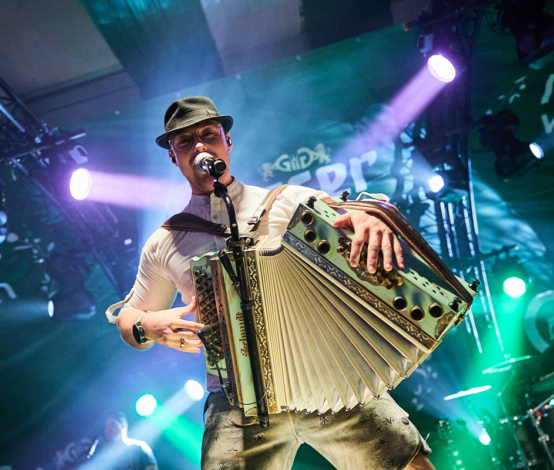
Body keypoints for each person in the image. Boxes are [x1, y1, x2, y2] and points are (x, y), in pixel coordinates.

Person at [107, 96, 434, 470]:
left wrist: (373, 214)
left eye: (209, 134)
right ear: (173, 157)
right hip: (236, 400)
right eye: (185, 141)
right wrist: (145, 325)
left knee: (411, 465)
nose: (199, 146)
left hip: (325, 376)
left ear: (227, 141)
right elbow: (127, 318)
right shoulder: (166, 241)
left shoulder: (287, 201)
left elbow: (359, 210)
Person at [81, 412, 157, 470]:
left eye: (112, 424)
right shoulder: (102, 454)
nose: (108, 429)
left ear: (124, 426)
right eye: (106, 426)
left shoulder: (139, 447)